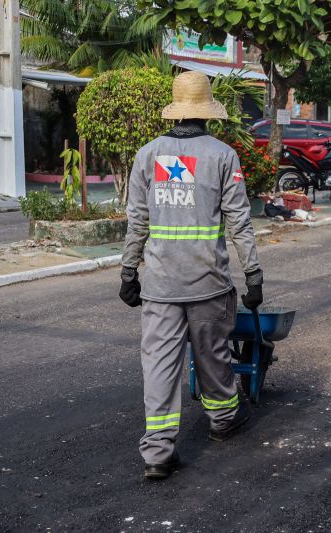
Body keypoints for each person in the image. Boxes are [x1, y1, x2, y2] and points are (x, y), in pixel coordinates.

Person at [119, 71, 264, 480]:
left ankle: (158, 452)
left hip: (161, 285)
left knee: (159, 365)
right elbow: (239, 221)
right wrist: (253, 274)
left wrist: (129, 271)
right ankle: (224, 419)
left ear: (175, 110)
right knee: (213, 356)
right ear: (207, 111)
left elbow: (137, 221)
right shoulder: (222, 156)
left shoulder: (147, 154)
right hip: (208, 284)